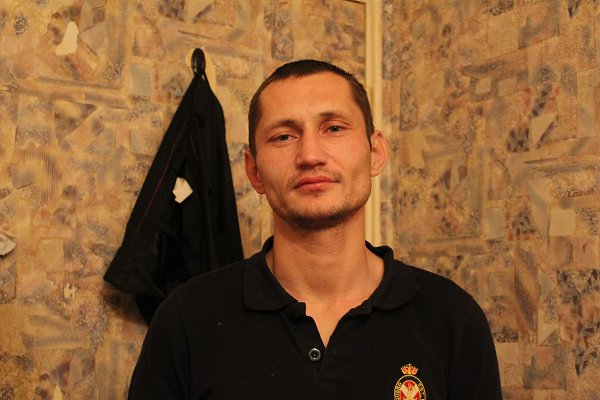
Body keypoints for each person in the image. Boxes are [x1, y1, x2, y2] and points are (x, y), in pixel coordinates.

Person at [127, 60, 502, 399]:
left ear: (375, 153)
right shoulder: (186, 318)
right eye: (283, 136)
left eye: (334, 128)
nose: (310, 155)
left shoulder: (452, 319)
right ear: (254, 171)